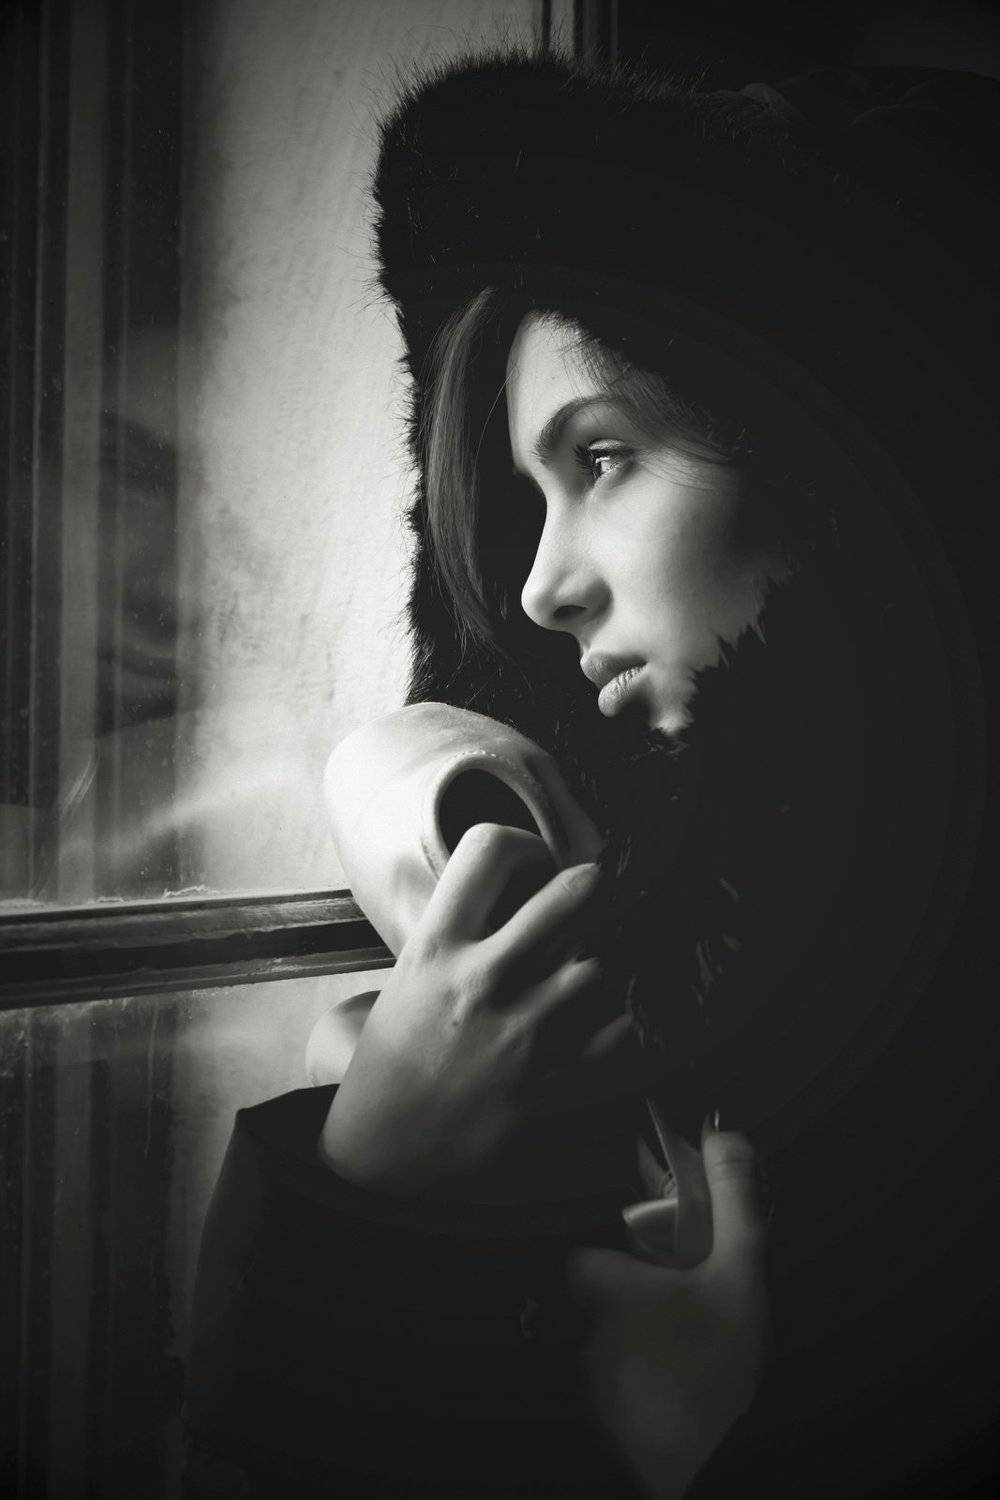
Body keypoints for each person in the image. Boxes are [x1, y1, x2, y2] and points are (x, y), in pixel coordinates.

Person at [184, 49, 1000, 1499]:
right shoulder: (693, 1003)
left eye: (604, 457)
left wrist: (716, 1448)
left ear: (846, 456)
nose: (542, 584)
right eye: (529, 495)